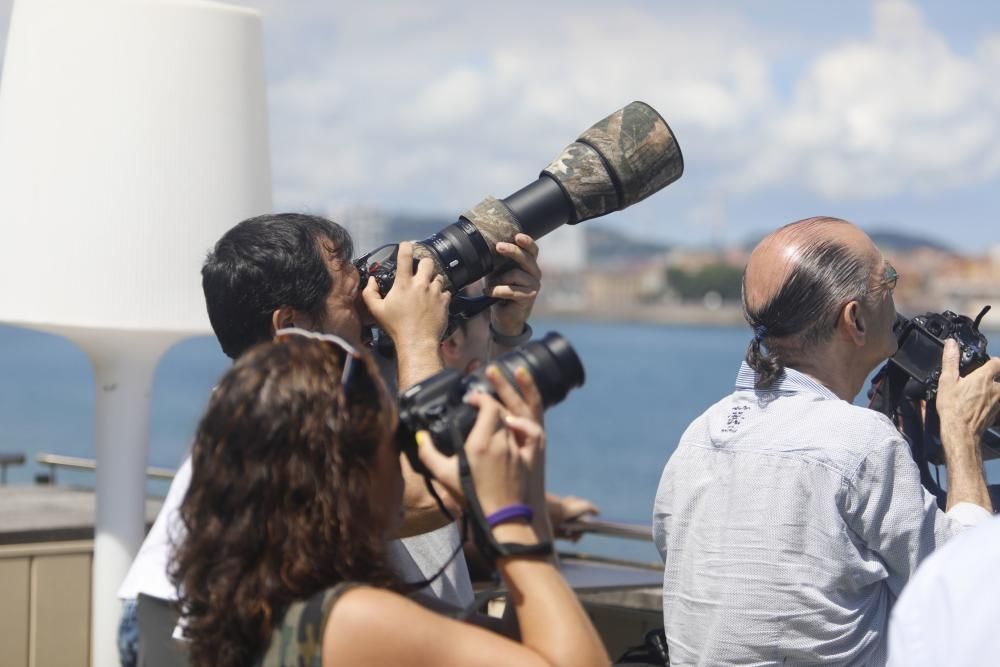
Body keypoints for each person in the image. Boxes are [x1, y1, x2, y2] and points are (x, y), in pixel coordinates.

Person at [116, 213, 541, 664]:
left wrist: (502, 329)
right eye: (349, 293)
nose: (367, 302)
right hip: (182, 630)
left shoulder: (334, 392)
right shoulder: (274, 420)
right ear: (288, 324)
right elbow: (427, 494)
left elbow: (463, 437)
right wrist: (416, 337)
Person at [652, 216, 999, 665]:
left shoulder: (699, 435)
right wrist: (962, 434)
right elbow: (968, 591)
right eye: (888, 279)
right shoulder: (860, 443)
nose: (898, 297)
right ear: (853, 319)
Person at [171, 330, 611, 667]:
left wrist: (520, 500)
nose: (408, 459)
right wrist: (512, 516)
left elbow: (519, 647)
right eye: (394, 436)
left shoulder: (265, 603)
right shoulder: (351, 618)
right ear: (349, 473)